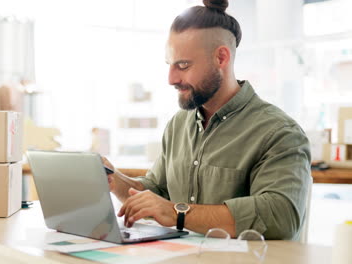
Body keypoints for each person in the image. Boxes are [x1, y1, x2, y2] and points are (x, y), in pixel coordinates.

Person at [102, 0, 311, 240]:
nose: (171, 78)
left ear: (221, 58)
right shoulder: (178, 125)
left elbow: (280, 216)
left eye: (183, 65)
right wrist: (114, 179)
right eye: (170, 65)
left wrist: (177, 213)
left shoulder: (279, 132)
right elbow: (158, 193)